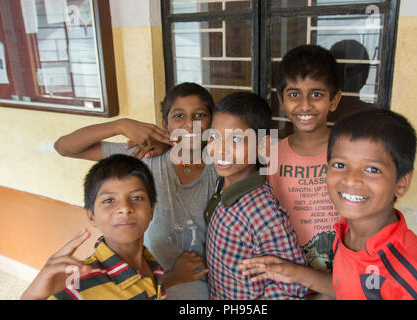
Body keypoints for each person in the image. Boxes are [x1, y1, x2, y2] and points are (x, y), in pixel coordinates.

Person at [53, 82, 217, 300]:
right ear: (164, 124)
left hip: (202, 287)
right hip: (143, 285)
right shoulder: (144, 157)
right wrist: (119, 125)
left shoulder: (222, 168)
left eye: (199, 115)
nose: (189, 124)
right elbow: (64, 147)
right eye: (178, 116)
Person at [240, 45, 342, 299]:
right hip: (283, 285)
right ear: (282, 100)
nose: (305, 105)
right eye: (295, 94)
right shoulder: (268, 154)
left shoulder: (350, 154)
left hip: (339, 285)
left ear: (334, 100)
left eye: (316, 94)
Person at [326, 108, 417, 300]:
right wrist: (295, 273)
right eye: (340, 165)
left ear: (401, 183)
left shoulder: (412, 273)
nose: (351, 180)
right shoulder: (344, 231)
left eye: (372, 169)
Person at [204, 92, 308, 300]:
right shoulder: (223, 180)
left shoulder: (263, 212)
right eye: (214, 136)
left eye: (235, 140)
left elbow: (293, 285)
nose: (220, 149)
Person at [21, 154, 168, 300]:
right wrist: (32, 297)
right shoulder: (77, 284)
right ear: (92, 216)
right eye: (109, 200)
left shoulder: (152, 265)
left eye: (137, 197)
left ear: (151, 210)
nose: (124, 208)